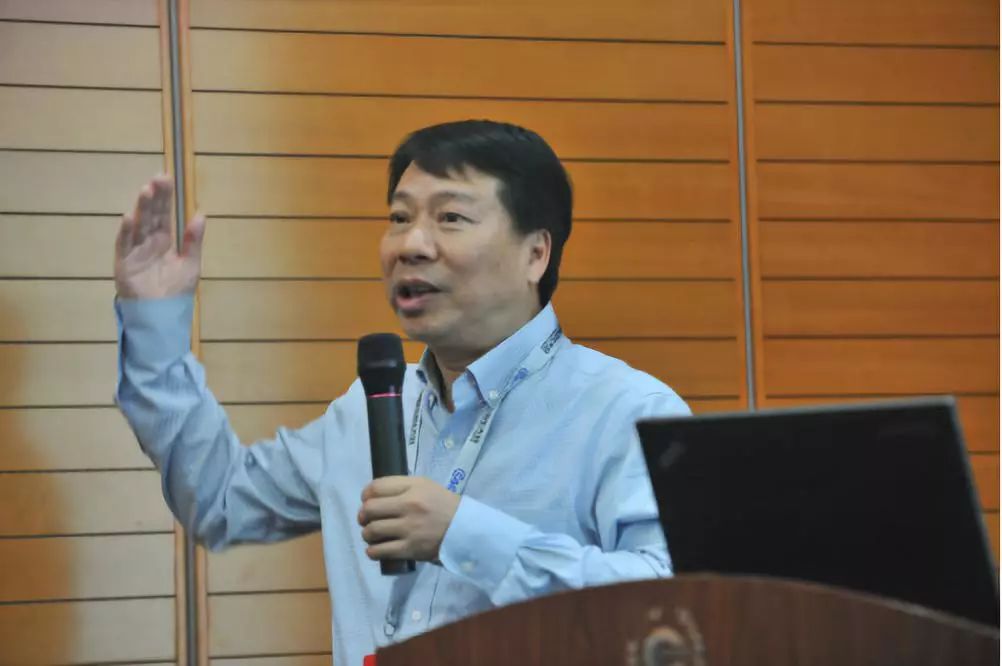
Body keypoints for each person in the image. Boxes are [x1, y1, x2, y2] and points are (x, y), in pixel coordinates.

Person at [114, 120, 690, 665]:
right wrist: (155, 327)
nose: (410, 244)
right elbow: (220, 502)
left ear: (535, 253)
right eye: (399, 217)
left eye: (451, 218)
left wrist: (466, 536)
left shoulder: (627, 412)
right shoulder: (366, 409)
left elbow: (676, 609)